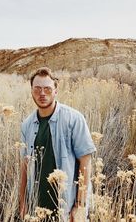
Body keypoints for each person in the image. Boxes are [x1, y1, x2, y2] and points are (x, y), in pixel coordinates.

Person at [19, 67, 96, 221]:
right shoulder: (27, 125)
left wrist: (79, 206)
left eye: (47, 89)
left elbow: (85, 163)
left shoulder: (74, 119)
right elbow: (24, 168)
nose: (42, 93)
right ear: (32, 92)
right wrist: (23, 205)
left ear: (55, 91)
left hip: (66, 208)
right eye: (37, 89)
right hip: (37, 210)